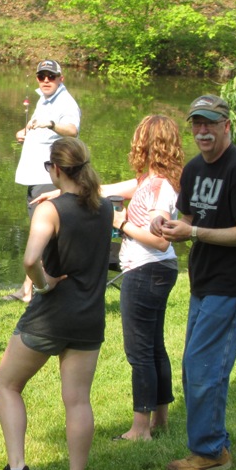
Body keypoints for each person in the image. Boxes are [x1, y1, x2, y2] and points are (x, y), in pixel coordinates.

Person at [0, 137, 112, 470]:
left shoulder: (49, 210)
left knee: (7, 384)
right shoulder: (104, 208)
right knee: (78, 399)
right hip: (89, 317)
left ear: (55, 169)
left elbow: (29, 260)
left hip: (51, 316)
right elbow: (86, 200)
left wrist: (43, 284)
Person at [155, 94, 236, 470]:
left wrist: (193, 232)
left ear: (226, 126)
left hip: (234, 285)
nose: (202, 131)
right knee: (196, 367)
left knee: (204, 368)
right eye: (196, 124)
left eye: (209, 124)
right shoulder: (193, 169)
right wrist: (166, 224)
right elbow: (188, 220)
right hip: (204, 282)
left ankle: (210, 452)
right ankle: (213, 443)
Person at [103, 115, 184, 441]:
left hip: (147, 270)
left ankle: (140, 428)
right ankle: (160, 420)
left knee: (139, 352)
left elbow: (161, 239)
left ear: (148, 143)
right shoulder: (148, 181)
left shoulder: (161, 187)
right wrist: (60, 190)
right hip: (155, 269)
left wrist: (121, 223)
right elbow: (104, 189)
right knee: (154, 347)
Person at [3, 59, 80, 303]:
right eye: (41, 76)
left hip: (48, 179)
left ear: (60, 78)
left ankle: (39, 288)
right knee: (37, 233)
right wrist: (25, 133)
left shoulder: (65, 102)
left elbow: (72, 129)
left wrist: (52, 124)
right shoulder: (44, 99)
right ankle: (28, 289)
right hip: (34, 177)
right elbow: (38, 129)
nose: (46, 80)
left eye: (51, 76)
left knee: (43, 234)